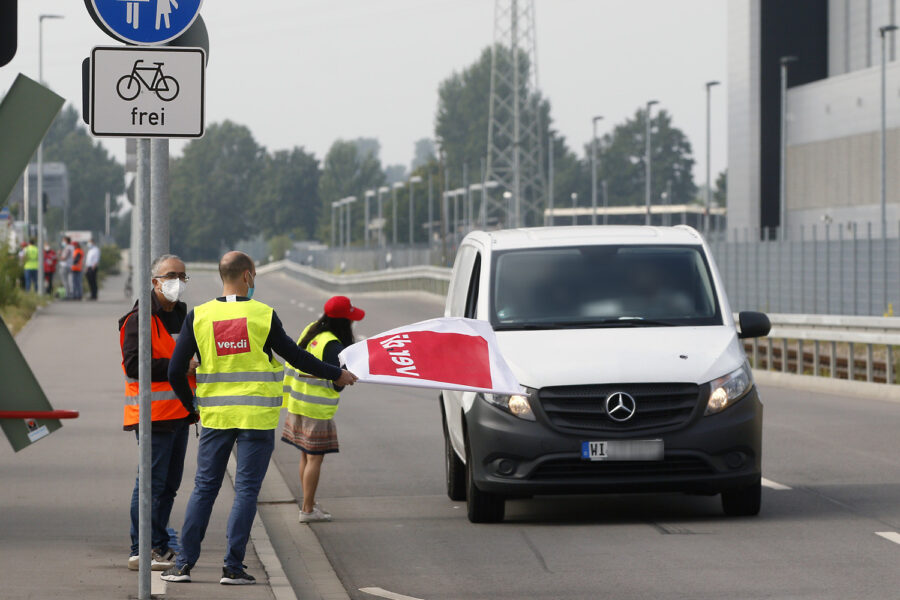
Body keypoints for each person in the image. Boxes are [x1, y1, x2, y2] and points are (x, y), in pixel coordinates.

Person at [162, 251, 358, 586]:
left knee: (204, 488)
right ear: (249, 276)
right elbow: (296, 357)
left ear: (222, 275)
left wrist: (191, 407)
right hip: (256, 417)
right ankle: (232, 568)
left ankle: (183, 565)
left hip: (215, 418)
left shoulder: (199, 316)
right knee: (247, 490)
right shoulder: (263, 315)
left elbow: (174, 370)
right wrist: (336, 374)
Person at [119, 254, 198, 572]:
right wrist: (180, 366)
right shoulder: (137, 319)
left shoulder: (183, 314)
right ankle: (140, 548)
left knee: (169, 484)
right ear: (154, 281)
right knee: (150, 481)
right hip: (153, 415)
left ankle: (159, 543)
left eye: (182, 275)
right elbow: (134, 365)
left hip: (180, 412)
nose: (176, 281)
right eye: (170, 275)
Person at [282, 296, 364, 523]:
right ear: (343, 321)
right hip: (317, 409)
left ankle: (308, 503)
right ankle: (307, 510)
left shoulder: (313, 330)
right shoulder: (333, 345)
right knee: (315, 459)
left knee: (306, 457)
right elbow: (336, 381)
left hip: (298, 403)